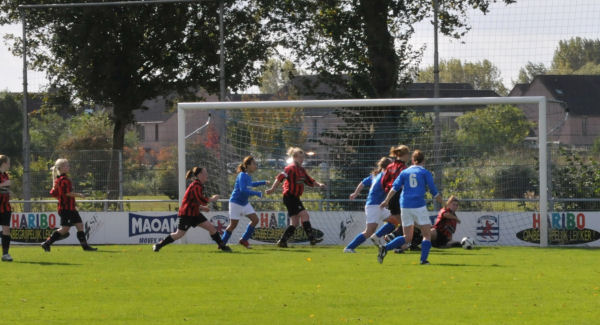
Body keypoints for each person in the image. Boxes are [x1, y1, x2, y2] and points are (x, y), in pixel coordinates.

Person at [377, 150, 443, 265]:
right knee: (427, 234)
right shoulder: (425, 173)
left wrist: (386, 200)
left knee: (407, 237)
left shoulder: (404, 172)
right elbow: (434, 191)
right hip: (418, 205)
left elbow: (394, 188)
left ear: (413, 160)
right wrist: (444, 203)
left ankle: (385, 248)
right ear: (424, 161)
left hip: (405, 206)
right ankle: (423, 260)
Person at [153, 166, 231, 252]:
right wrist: (212, 199)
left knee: (211, 228)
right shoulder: (195, 185)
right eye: (205, 173)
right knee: (179, 234)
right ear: (200, 175)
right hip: (187, 214)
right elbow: (200, 199)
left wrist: (202, 208)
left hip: (195, 213)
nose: (207, 175)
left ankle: (223, 246)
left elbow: (193, 201)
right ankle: (159, 245)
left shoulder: (198, 185)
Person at [265, 147, 326, 247]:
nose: (302, 160)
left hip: (295, 197)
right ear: (294, 157)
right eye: (300, 157)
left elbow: (310, 180)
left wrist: (319, 184)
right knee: (305, 215)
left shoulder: (301, 170)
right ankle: (312, 239)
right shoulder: (290, 168)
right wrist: (272, 189)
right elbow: (279, 178)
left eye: (303, 158)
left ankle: (282, 241)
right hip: (289, 196)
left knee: (295, 222)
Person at [41, 158, 97, 252]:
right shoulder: (64, 180)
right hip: (66, 209)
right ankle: (47, 243)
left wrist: (62, 199)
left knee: (79, 225)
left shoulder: (58, 180)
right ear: (62, 168)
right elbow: (67, 193)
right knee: (65, 229)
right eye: (67, 165)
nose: (69, 167)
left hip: (69, 208)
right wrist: (79, 195)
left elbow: (53, 193)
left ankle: (85, 246)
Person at [344, 157, 392, 253]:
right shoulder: (384, 176)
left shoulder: (376, 175)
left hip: (379, 206)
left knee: (395, 221)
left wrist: (355, 193)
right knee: (369, 231)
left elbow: (362, 183)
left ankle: (378, 237)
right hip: (373, 206)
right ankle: (349, 248)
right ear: (388, 166)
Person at [222, 156, 269, 249]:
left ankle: (244, 240)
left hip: (244, 203)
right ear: (247, 165)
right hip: (235, 203)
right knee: (233, 225)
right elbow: (243, 190)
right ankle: (222, 244)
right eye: (254, 164)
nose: (256, 166)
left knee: (255, 220)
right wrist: (256, 193)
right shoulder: (242, 175)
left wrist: (263, 182)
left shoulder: (247, 176)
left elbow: (251, 185)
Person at [369, 145, 410, 246]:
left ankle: (395, 241)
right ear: (404, 155)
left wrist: (387, 190)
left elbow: (383, 181)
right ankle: (396, 240)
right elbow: (404, 183)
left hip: (390, 195)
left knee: (398, 221)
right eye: (408, 154)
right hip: (399, 195)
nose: (409, 157)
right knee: (406, 222)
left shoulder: (390, 166)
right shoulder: (403, 168)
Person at [0, 155, 13, 261]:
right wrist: (3, 184)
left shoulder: (6, 175)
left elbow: (5, 189)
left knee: (6, 229)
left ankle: (5, 254)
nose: (9, 164)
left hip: (5, 207)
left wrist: (9, 192)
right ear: (4, 163)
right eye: (8, 162)